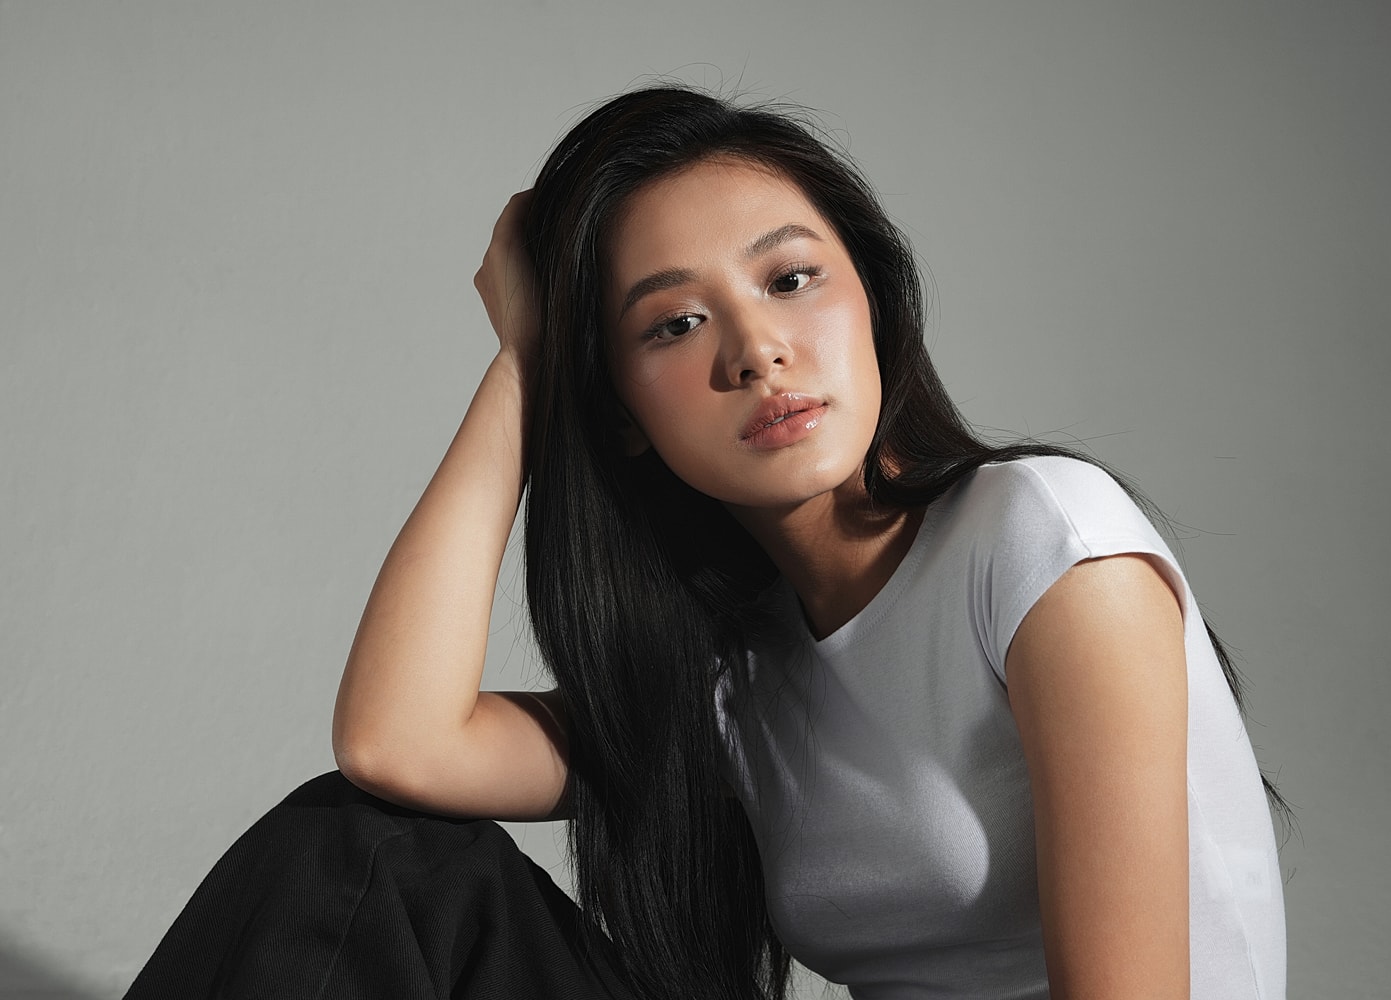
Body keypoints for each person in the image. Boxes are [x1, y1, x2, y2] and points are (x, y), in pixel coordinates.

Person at [126, 86, 1286, 1000]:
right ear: (622, 413)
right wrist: (528, 363)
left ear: (872, 301)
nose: (756, 350)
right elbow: (395, 744)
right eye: (675, 323)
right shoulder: (735, 680)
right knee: (360, 856)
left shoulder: (1043, 545)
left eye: (791, 279)